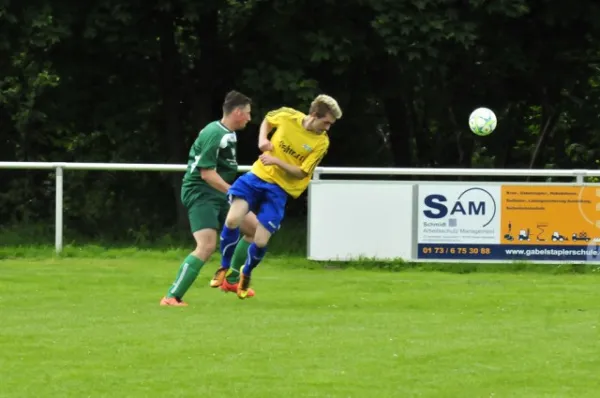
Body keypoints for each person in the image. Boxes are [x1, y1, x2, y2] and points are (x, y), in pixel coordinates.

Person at [208, 94, 343, 299]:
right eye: (326, 122)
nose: (328, 128)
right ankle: (223, 267)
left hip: (280, 189)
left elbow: (301, 173)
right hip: (256, 177)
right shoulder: (288, 116)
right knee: (233, 219)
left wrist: (276, 161)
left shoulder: (321, 143)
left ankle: (246, 273)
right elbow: (268, 120)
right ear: (314, 114)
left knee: (261, 241)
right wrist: (262, 140)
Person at [160, 90, 259, 306]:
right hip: (201, 192)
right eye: (248, 114)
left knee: (254, 229)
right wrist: (233, 191)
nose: (250, 119)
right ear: (237, 112)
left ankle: (231, 280)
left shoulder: (229, 133)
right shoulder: (216, 134)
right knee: (206, 245)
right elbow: (206, 173)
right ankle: (171, 297)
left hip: (219, 192)